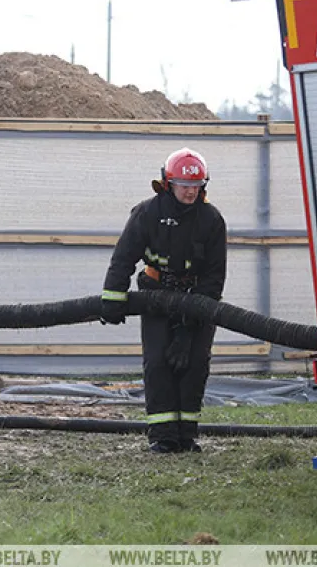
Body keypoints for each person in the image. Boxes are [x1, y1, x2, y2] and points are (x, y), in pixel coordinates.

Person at [99, 147, 227, 454]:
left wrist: (188, 329)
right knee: (157, 363)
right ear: (168, 183)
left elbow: (214, 278)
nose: (190, 192)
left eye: (196, 186)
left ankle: (186, 435)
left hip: (198, 301)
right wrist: (112, 299)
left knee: (195, 364)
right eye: (184, 185)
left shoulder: (211, 220)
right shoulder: (147, 213)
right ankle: (163, 436)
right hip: (155, 297)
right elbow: (123, 258)